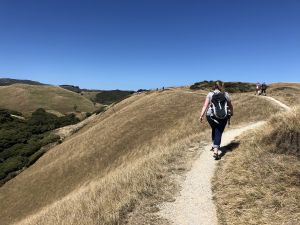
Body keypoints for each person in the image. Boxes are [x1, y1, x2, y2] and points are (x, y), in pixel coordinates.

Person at [199, 81, 234, 159]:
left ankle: (214, 145)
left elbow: (205, 105)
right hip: (223, 116)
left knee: (215, 129)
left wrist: (201, 115)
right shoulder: (226, 94)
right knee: (218, 131)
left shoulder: (210, 94)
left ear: (214, 86)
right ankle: (216, 151)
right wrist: (231, 113)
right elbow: (230, 105)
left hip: (210, 116)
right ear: (222, 86)